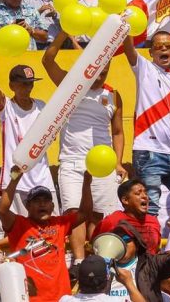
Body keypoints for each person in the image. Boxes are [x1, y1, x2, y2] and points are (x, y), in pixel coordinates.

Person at [43, 30, 125, 269]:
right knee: (75, 214)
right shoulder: (72, 84)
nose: (101, 76)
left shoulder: (114, 95)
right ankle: (79, 262)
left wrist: (118, 162)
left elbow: (118, 132)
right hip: (72, 161)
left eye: (106, 71)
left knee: (101, 215)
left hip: (104, 163)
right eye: (97, 70)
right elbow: (47, 61)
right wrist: (63, 33)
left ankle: (100, 262)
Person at [122, 30, 170, 216]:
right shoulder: (144, 68)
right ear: (151, 52)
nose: (164, 49)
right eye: (158, 47)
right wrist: (126, 27)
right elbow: (129, 48)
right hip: (149, 152)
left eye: (168, 46)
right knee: (150, 209)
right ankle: (148, 246)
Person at [0, 165, 92, 302]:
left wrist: (86, 183)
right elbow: (2, 210)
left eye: (46, 201)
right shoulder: (19, 224)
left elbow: (85, 213)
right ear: (27, 207)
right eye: (36, 201)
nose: (42, 204)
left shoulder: (60, 223)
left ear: (53, 206)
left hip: (62, 298)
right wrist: (14, 180)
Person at [0, 56, 56, 216]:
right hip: (15, 180)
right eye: (24, 84)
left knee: (50, 227)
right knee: (18, 230)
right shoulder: (7, 107)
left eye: (31, 83)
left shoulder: (41, 106)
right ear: (12, 86)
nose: (28, 87)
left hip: (43, 177)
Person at [106, 211, 170, 302]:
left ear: (137, 243)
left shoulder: (151, 264)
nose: (122, 244)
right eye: (118, 240)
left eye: (126, 240)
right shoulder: (105, 265)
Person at [92, 179, 161, 256]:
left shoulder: (153, 221)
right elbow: (96, 247)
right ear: (125, 200)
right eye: (138, 193)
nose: (145, 196)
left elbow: (156, 249)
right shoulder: (112, 220)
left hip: (150, 266)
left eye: (145, 193)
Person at [59, 255, 145, 302]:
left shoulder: (65, 300)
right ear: (107, 277)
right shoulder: (115, 301)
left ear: (79, 279)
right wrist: (128, 283)